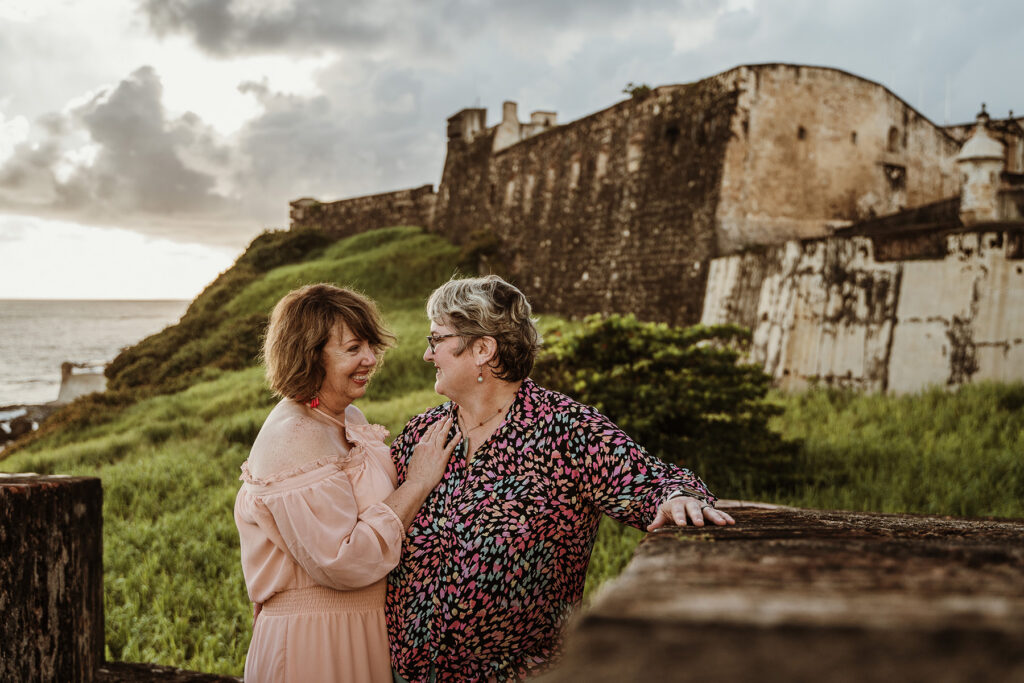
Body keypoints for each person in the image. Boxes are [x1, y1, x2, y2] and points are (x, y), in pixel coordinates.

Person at [386, 275, 735, 682]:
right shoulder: (422, 433)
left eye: (436, 340)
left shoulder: (566, 430)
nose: (428, 355)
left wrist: (677, 495)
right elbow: (374, 524)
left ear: (482, 349)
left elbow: (652, 482)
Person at [234, 284, 461, 683]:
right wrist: (419, 483)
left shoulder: (347, 417)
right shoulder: (295, 435)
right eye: (353, 348)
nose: (370, 359)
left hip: (361, 629)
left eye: (371, 345)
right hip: (316, 643)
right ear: (310, 355)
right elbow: (341, 561)